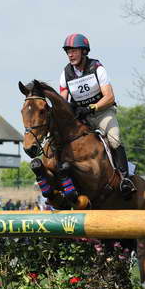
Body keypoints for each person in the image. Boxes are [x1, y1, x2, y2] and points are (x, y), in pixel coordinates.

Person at [58, 33, 135, 198]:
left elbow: (109, 96)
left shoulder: (97, 68)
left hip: (102, 113)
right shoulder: (65, 74)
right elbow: (62, 101)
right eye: (68, 51)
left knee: (114, 139)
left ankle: (125, 179)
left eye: (74, 51)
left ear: (84, 51)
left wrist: (92, 107)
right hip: (81, 118)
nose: (70, 55)